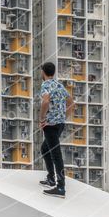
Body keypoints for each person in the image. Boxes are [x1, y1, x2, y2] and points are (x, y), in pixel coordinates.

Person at [38, 60, 74, 198]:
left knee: (56, 155)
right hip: (59, 124)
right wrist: (63, 117)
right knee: (45, 149)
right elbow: (71, 103)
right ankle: (51, 178)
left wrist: (42, 118)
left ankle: (60, 187)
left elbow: (46, 101)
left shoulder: (45, 85)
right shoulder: (59, 85)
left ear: (43, 72)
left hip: (50, 126)